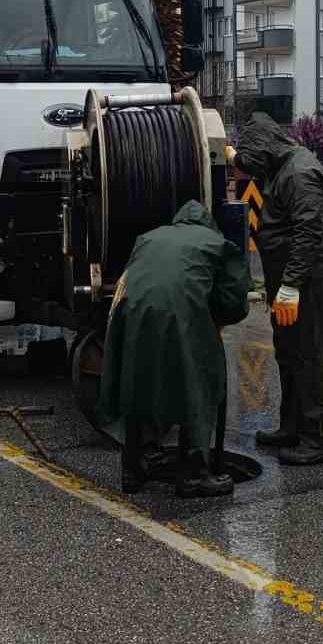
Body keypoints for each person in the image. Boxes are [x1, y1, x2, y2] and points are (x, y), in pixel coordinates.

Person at [96, 200, 251, 498]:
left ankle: (134, 467)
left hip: (131, 317)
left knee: (139, 381)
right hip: (180, 315)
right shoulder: (217, 243)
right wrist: (214, 318)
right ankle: (194, 476)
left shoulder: (148, 237)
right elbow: (234, 302)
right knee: (199, 384)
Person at [234, 113, 323, 466]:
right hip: (289, 282)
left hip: (310, 280)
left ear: (267, 150)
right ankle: (293, 427)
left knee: (312, 356)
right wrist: (232, 155)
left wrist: (292, 285)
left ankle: (317, 441)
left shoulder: (300, 174)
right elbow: (249, 163)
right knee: (289, 352)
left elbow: (307, 234)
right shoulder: (279, 165)